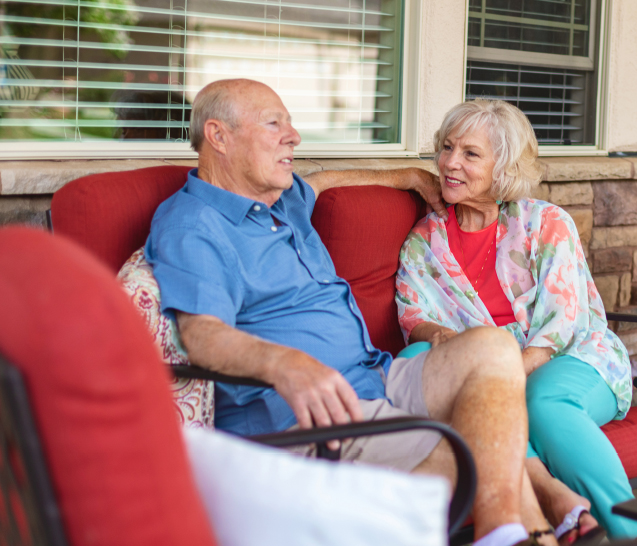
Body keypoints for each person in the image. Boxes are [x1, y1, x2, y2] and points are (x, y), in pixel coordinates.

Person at [145, 79, 555, 546]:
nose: (293, 135)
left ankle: (506, 531)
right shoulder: (193, 225)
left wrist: (408, 177)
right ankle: (515, 533)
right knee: (476, 441)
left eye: (291, 122)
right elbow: (203, 335)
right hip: (314, 416)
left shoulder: (281, 200)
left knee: (494, 346)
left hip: (375, 377)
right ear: (219, 136)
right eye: (274, 123)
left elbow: (324, 181)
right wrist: (286, 364)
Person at [395, 99, 637, 541]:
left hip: (571, 358)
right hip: (483, 365)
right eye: (447, 148)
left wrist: (499, 379)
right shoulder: (425, 239)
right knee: (422, 362)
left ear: (504, 167)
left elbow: (562, 324)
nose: (450, 163)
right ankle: (551, 501)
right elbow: (413, 313)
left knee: (537, 403)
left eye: (470, 154)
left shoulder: (545, 222)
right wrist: (436, 334)